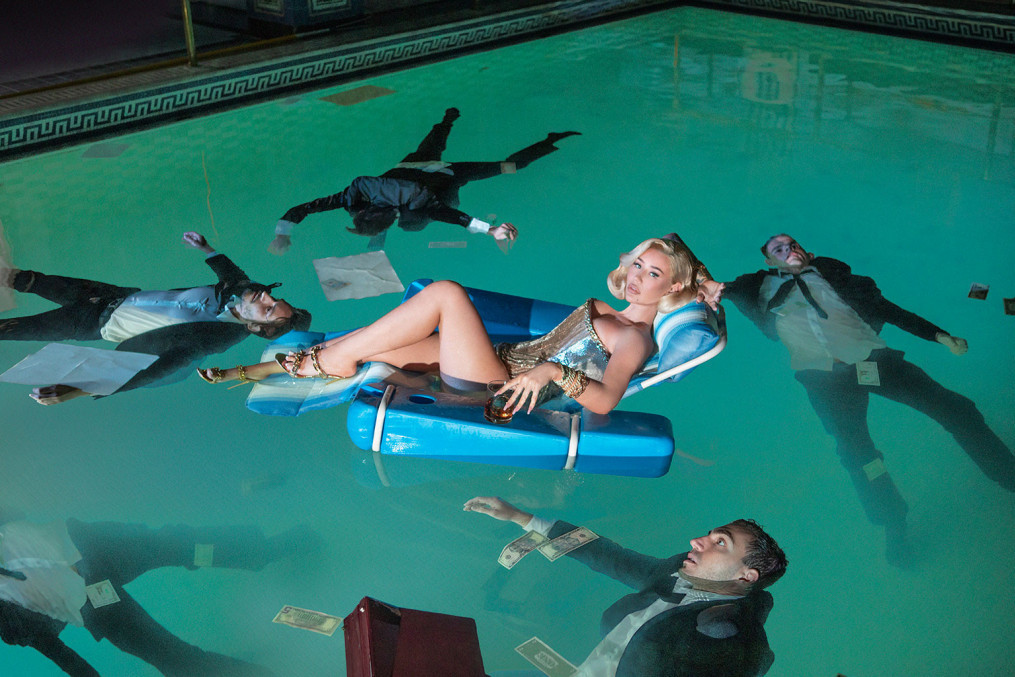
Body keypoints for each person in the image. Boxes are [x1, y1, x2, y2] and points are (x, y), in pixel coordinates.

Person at [720, 234, 1015, 566]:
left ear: (809, 253)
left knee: (955, 409)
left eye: (794, 245)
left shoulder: (842, 282)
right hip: (827, 383)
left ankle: (1007, 473)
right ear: (768, 262)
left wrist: (939, 336)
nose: (789, 250)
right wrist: (702, 287)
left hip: (872, 363)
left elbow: (890, 311)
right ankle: (893, 522)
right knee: (860, 456)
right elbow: (715, 289)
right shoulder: (758, 289)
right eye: (779, 249)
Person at [202, 235, 721, 416]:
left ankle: (322, 360)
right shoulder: (615, 310)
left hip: (498, 386)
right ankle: (254, 371)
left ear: (671, 287)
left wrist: (550, 374)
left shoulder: (634, 338)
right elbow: (673, 251)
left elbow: (605, 400)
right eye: (638, 264)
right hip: (501, 358)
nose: (637, 277)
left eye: (654, 275)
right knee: (370, 343)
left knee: (446, 294)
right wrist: (704, 281)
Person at [463, 496, 787, 677]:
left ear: (746, 576)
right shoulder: (672, 575)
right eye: (710, 535)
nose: (697, 541)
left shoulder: (732, 633)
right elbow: (608, 556)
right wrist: (521, 518)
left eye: (720, 543)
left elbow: (749, 662)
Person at [0, 232, 311, 404]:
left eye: (268, 308)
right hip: (110, 295)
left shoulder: (214, 338)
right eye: (274, 299)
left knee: (18, 329)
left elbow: (155, 371)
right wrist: (205, 247)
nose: (265, 297)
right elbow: (232, 273)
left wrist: (79, 389)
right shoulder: (243, 292)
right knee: (28, 279)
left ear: (255, 326)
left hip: (93, 323)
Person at [0, 507, 314, 676]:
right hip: (93, 584)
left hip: (93, 553)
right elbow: (59, 653)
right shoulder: (9, 616)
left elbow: (61, 655)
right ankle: (269, 551)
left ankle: (268, 550)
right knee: (168, 653)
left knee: (184, 547)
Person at [268, 108, 580, 253]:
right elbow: (305, 207)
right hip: (414, 165)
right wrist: (283, 232)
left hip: (446, 175)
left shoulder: (418, 205)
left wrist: (490, 230)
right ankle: (447, 120)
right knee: (431, 145)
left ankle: (549, 141)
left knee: (510, 167)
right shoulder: (352, 197)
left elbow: (454, 216)